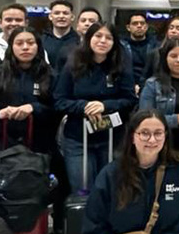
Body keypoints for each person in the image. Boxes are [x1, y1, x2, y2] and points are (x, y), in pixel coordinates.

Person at [56, 22, 138, 191]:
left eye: (108, 38)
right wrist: (84, 106)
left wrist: (104, 106)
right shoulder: (73, 64)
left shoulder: (121, 65)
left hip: (112, 137)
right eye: (98, 36)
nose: (103, 41)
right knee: (82, 188)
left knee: (111, 188)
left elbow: (130, 99)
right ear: (88, 39)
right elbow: (59, 100)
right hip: (78, 138)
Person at [0, 27, 56, 154]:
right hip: (1, 145)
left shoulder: (51, 75)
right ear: (11, 47)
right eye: (19, 43)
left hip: (40, 148)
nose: (25, 47)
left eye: (31, 43)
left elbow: (58, 108)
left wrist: (34, 108)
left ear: (38, 46)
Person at [52, 6, 103, 74]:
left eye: (92, 21)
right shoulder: (66, 50)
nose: (87, 24)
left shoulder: (106, 49)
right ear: (77, 26)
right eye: (83, 21)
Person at [41, 0, 78, 71]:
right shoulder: (41, 40)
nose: (61, 16)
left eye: (65, 13)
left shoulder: (79, 41)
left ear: (72, 17)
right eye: (57, 13)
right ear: (50, 17)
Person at [123, 11, 159, 84]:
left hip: (150, 84)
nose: (139, 26)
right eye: (135, 23)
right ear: (128, 27)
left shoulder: (156, 46)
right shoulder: (122, 46)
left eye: (142, 23)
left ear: (146, 27)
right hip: (126, 84)